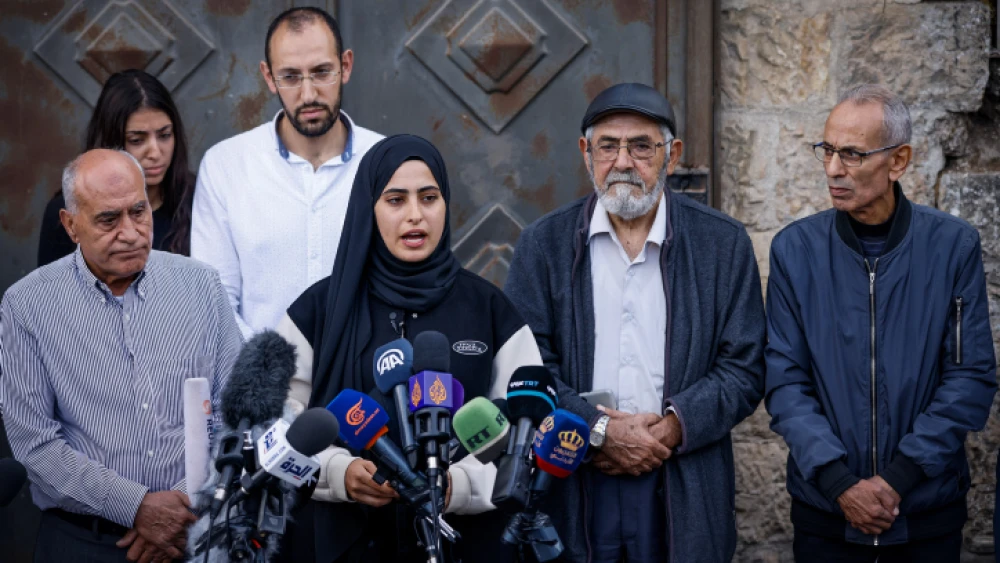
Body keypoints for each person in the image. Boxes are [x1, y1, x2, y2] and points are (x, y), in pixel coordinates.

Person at [504, 82, 767, 563]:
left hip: (681, 477)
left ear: (672, 153)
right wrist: (597, 432)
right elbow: (526, 369)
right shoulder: (543, 245)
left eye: (642, 146)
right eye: (608, 146)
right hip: (574, 475)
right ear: (586, 152)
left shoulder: (722, 245)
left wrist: (670, 429)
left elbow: (745, 368)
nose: (623, 162)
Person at [272, 134, 542, 563]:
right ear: (369, 209)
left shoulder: (489, 309)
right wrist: (338, 473)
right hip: (344, 546)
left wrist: (462, 485)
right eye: (396, 200)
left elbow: (527, 428)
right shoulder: (316, 311)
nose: (416, 216)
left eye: (429, 198)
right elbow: (273, 426)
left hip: (465, 545)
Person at [765, 84, 997, 563]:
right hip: (825, 515)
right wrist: (840, 484)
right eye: (826, 150)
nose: (833, 169)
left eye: (851, 154)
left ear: (899, 161)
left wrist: (896, 480)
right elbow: (785, 381)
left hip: (925, 513)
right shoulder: (796, 250)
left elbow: (969, 377)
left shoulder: (952, 247)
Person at [1, 149, 243, 563]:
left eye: (138, 211)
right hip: (83, 544)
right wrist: (135, 506)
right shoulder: (27, 306)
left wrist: (182, 509)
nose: (130, 232)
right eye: (108, 220)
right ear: (70, 225)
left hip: (197, 536)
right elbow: (34, 444)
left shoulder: (202, 287)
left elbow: (239, 413)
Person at [192, 6, 383, 338]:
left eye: (322, 72)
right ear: (269, 77)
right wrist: (272, 371)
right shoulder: (226, 166)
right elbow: (215, 300)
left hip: (367, 382)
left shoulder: (385, 161)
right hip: (263, 381)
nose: (308, 94)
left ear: (346, 66)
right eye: (291, 76)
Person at [38, 69, 195, 266]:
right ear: (111, 141)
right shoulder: (70, 212)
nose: (155, 152)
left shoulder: (199, 197)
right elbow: (51, 291)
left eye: (164, 135)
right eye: (137, 140)